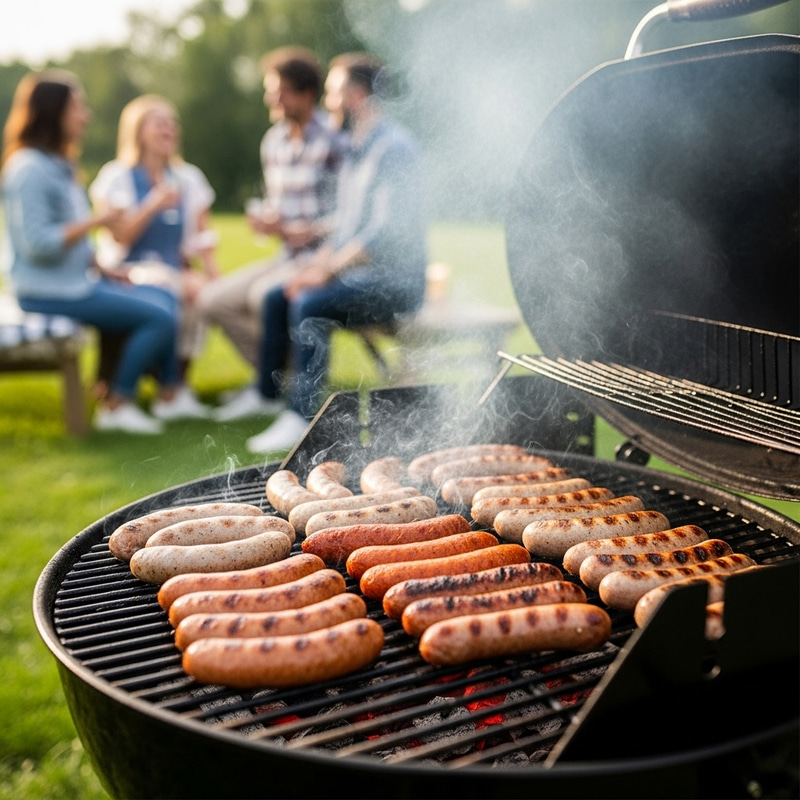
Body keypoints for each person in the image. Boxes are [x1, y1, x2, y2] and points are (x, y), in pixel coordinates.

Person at [245, 52, 428, 454]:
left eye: (332, 92)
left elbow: (382, 236)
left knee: (311, 302)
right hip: (362, 275)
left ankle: (302, 417)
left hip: (396, 282)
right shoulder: (357, 150)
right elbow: (345, 227)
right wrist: (316, 264)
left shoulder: (393, 149)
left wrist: (325, 273)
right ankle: (268, 396)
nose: (327, 102)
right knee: (281, 294)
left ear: (357, 96)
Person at [1, 70, 183, 434]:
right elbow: (39, 245)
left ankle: (164, 392)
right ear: (54, 113)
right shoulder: (28, 170)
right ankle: (117, 403)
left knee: (164, 297)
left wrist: (102, 267)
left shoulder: (57, 165)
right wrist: (98, 220)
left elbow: (73, 239)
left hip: (76, 282)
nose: (85, 115)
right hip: (48, 293)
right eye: (77, 107)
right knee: (159, 317)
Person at [198, 46, 346, 422]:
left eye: (278, 90)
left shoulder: (335, 143)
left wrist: (312, 230)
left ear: (305, 94)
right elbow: (277, 202)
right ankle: (276, 376)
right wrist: (269, 221)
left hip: (322, 258)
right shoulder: (273, 142)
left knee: (264, 295)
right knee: (213, 300)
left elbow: (351, 214)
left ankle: (267, 390)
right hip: (284, 257)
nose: (271, 98)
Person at [89, 94, 219, 419]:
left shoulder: (188, 177)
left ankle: (175, 385)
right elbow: (119, 236)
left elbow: (202, 235)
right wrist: (152, 204)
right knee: (165, 288)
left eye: (172, 122)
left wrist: (211, 272)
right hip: (127, 267)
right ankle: (168, 388)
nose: (168, 128)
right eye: (159, 121)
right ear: (138, 130)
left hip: (174, 266)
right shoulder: (116, 176)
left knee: (200, 294)